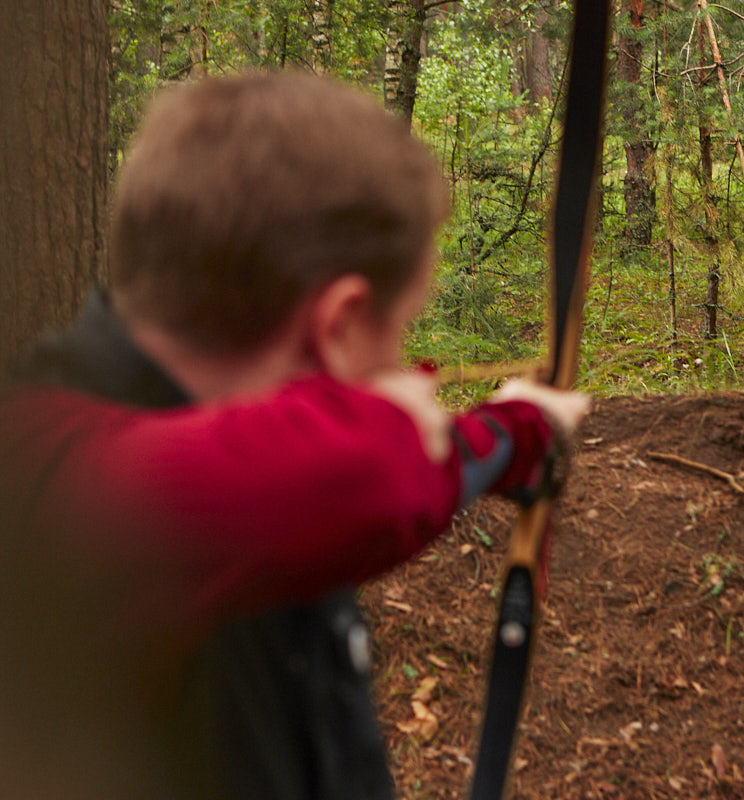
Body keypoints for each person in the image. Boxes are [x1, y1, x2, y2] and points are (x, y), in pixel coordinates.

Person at [0, 71, 589, 800]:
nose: (399, 363)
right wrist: (513, 431)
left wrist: (506, 438)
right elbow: (364, 467)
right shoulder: (31, 464)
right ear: (338, 327)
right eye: (398, 331)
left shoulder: (264, 498)